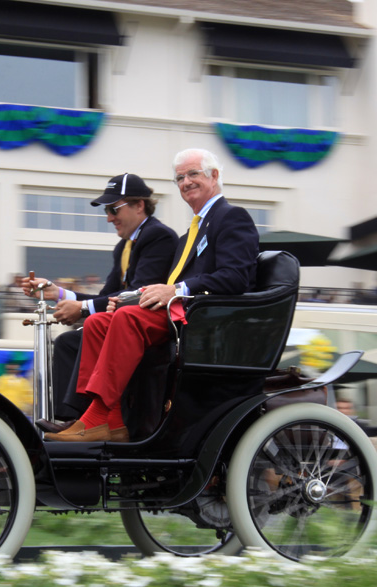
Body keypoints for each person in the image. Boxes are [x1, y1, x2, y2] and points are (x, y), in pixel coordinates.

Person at [45, 149, 259, 442]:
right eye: (180, 178)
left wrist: (176, 290)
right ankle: (111, 421)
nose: (185, 182)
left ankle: (95, 418)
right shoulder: (191, 233)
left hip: (201, 319)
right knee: (96, 324)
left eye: (193, 174)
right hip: (179, 312)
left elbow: (236, 277)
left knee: (127, 317)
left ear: (214, 176)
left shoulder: (231, 217)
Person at [22, 173, 178, 427]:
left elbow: (136, 293)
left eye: (113, 209)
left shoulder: (158, 236)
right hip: (123, 323)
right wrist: (59, 293)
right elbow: (107, 295)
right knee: (66, 342)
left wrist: (81, 308)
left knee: (73, 341)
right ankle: (71, 419)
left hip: (148, 331)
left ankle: (85, 421)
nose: (109, 218)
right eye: (107, 210)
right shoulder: (124, 246)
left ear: (139, 205)